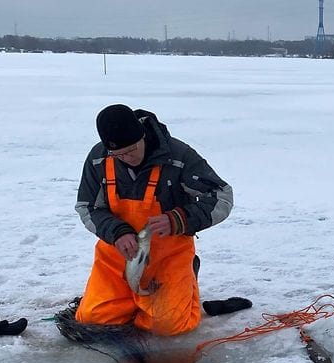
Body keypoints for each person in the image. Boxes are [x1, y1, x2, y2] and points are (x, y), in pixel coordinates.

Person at [74, 104, 237, 335]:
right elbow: (87, 207)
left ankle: (188, 276)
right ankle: (130, 299)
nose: (126, 158)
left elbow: (221, 196)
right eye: (118, 154)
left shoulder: (177, 156)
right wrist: (117, 232)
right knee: (93, 319)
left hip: (167, 256)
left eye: (131, 150)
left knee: (167, 326)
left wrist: (178, 219)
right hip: (118, 256)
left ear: (142, 135)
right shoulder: (99, 159)